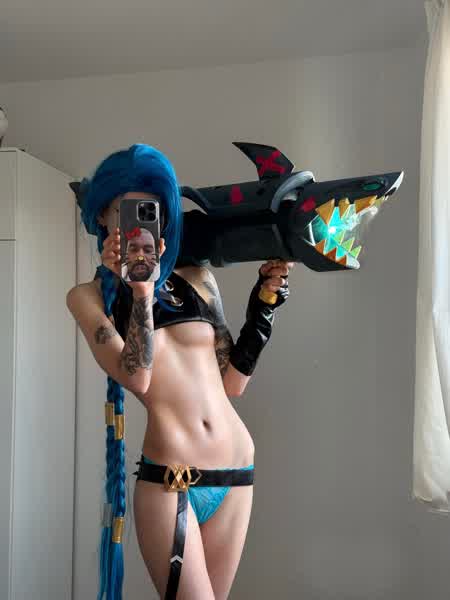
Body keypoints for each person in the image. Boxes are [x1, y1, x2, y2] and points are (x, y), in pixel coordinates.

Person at [66, 143, 294, 600]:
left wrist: (264, 305)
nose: (136, 225)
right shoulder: (88, 298)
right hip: (173, 481)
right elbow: (137, 377)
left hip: (236, 470)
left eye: (148, 212)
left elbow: (232, 383)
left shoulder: (198, 278)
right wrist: (141, 292)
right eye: (124, 211)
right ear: (103, 216)